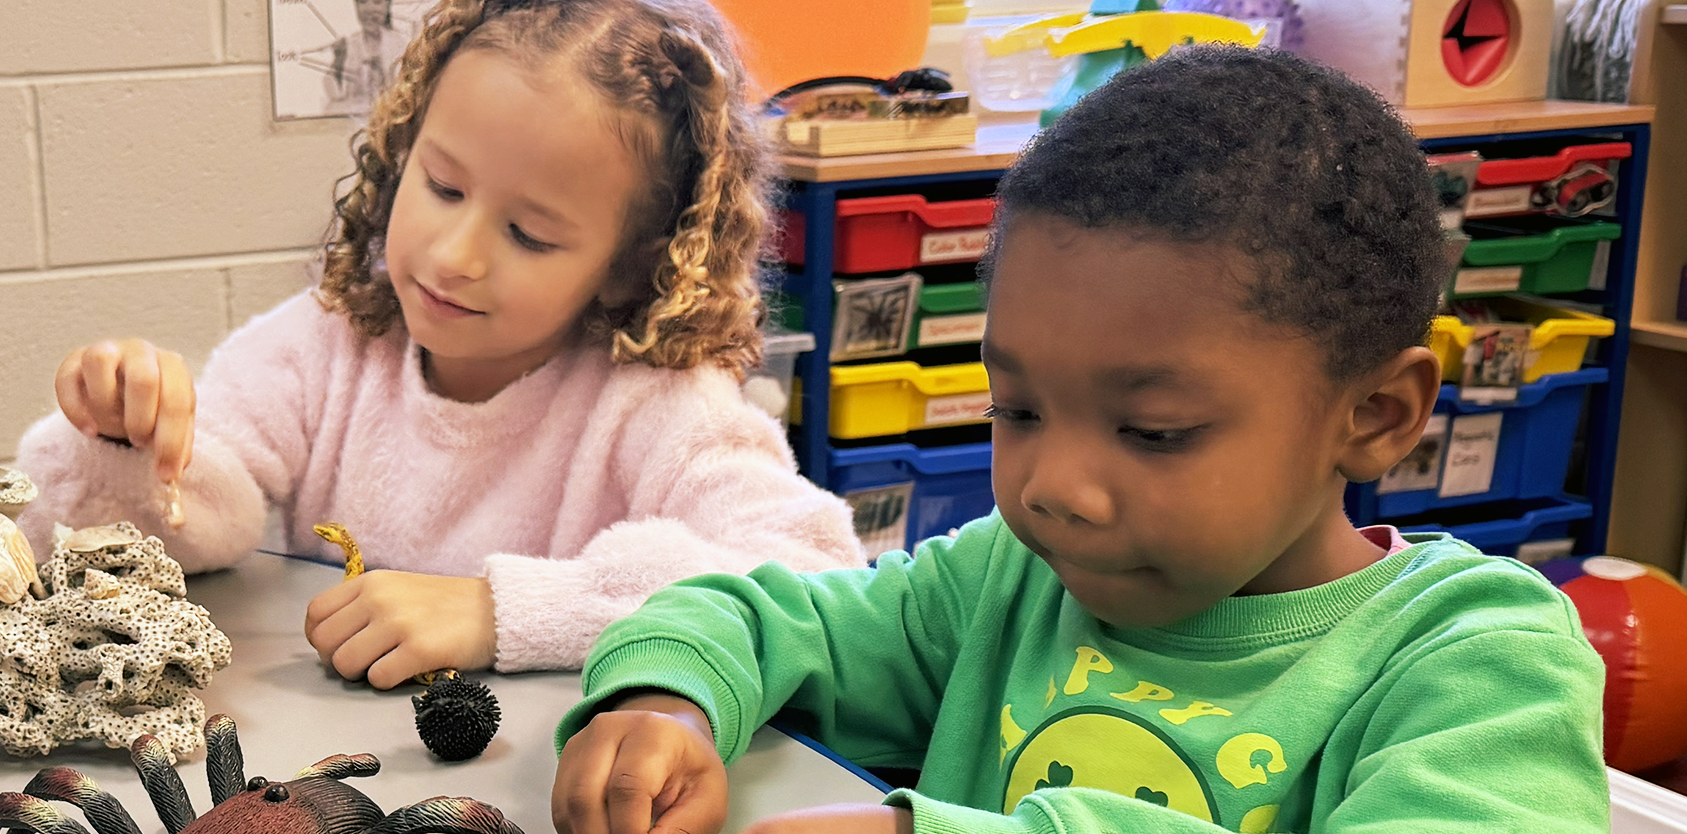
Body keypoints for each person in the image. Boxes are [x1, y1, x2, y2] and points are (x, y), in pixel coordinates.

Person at [551, 47, 1608, 834]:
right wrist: (669, 702)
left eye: (1153, 431)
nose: (1055, 488)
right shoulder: (1003, 586)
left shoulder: (1480, 659)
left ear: (1375, 415)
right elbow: (756, 612)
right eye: (1015, 411)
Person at [11, 0, 866, 689]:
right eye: (443, 185)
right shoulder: (335, 340)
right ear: (401, 150)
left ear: (629, 264)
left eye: (529, 235)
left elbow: (816, 578)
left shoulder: (660, 403)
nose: (455, 257)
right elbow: (197, 512)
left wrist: (505, 612)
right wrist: (127, 441)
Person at [322, 0, 412, 116]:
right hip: (353, 117)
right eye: (362, 2)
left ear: (388, 6)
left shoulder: (401, 44)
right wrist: (338, 61)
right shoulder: (349, 44)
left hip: (390, 116)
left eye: (377, 2)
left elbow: (407, 90)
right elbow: (335, 94)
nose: (369, 8)